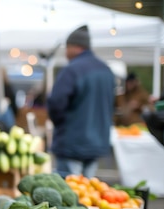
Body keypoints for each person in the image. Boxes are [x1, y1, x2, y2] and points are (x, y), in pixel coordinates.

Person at [47, 26, 116, 178]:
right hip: (97, 142)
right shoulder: (106, 70)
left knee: (69, 195)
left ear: (76, 47)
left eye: (67, 47)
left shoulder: (72, 70)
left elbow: (56, 102)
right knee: (88, 192)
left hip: (72, 142)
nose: (65, 53)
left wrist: (62, 125)